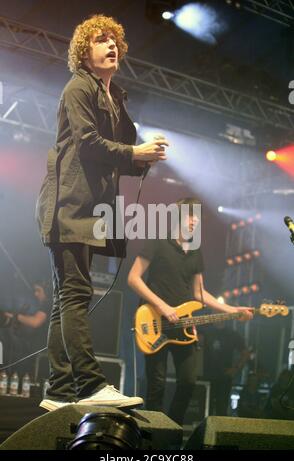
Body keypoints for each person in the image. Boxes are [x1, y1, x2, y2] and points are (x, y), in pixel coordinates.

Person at [35, 14, 168, 412]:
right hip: (68, 205)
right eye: (101, 40)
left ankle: (58, 390)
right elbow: (89, 145)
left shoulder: (113, 97)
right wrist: (134, 152)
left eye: (114, 40)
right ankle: (90, 385)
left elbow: (110, 157)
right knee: (75, 294)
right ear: (84, 52)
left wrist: (141, 159)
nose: (111, 45)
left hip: (87, 207)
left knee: (66, 298)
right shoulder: (78, 87)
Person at [127, 197, 252, 425]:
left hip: (183, 324)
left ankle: (172, 429)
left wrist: (233, 309)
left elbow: (200, 294)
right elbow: (133, 278)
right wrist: (162, 306)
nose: (194, 220)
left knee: (189, 381)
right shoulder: (158, 242)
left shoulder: (195, 251)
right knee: (157, 385)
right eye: (189, 215)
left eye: (196, 216)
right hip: (155, 321)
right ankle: (153, 435)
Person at [202, 321, 249, 416]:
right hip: (206, 377)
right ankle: (204, 429)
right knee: (204, 408)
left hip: (224, 376)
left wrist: (235, 369)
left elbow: (245, 353)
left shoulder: (232, 334)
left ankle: (218, 430)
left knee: (221, 408)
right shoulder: (206, 331)